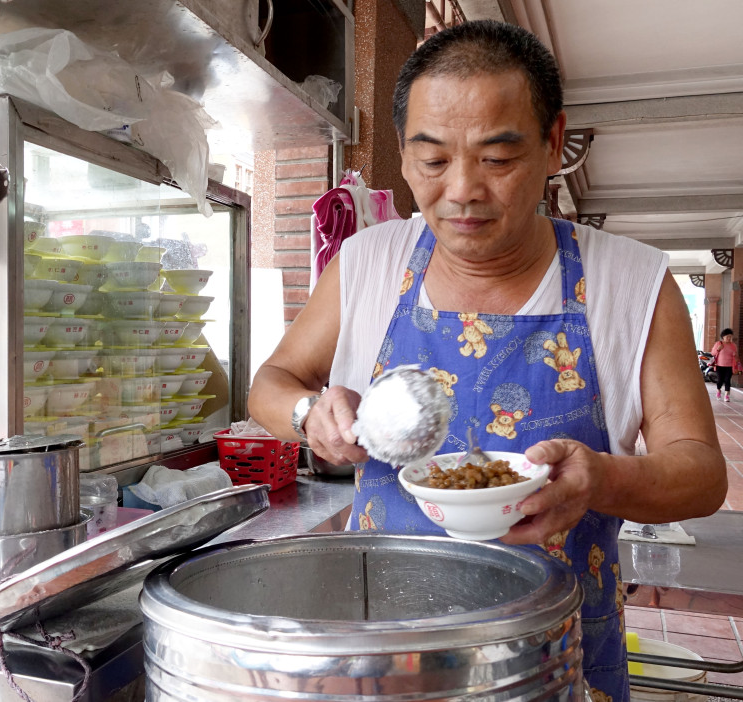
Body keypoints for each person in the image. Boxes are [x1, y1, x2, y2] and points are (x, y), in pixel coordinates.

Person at [248, 19, 727, 701]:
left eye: (497, 159)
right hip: (388, 649)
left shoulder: (631, 284)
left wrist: (600, 480)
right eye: (434, 160)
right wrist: (307, 414)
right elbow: (270, 382)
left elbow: (702, 475)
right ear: (405, 158)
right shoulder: (369, 265)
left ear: (553, 143)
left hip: (555, 660)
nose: (463, 190)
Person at [710, 328, 741, 402]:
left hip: (730, 366)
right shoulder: (719, 343)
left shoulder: (733, 345)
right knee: (720, 380)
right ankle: (719, 391)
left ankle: (727, 395)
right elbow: (713, 353)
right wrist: (718, 349)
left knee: (727, 380)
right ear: (723, 337)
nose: (729, 338)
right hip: (719, 365)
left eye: (730, 337)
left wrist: (735, 355)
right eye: (727, 337)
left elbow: (736, 356)